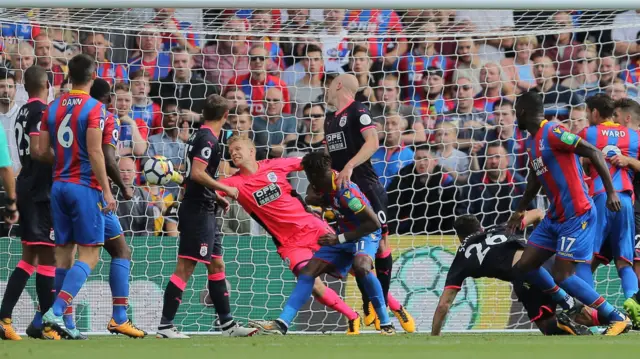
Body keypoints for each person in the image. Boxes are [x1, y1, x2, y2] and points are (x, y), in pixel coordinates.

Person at [506, 90, 631, 336]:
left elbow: (593, 152)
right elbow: (534, 180)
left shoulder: (553, 131)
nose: (514, 118)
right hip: (555, 217)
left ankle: (617, 317)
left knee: (563, 275)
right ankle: (570, 304)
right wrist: (519, 210)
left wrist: (611, 192)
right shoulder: (531, 142)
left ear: (521, 112)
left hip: (577, 214)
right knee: (524, 266)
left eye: (515, 112)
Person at [215, 136, 363, 334]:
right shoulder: (234, 183)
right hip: (289, 243)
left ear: (252, 151)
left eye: (238, 148)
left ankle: (392, 308)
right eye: (231, 151)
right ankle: (353, 316)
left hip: (313, 227)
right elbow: (210, 190)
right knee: (312, 283)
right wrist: (218, 197)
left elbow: (310, 164)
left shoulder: (275, 165)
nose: (233, 153)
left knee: (358, 267)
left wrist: (334, 176)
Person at [249, 151, 395, 335]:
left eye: (308, 176)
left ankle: (386, 322)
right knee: (308, 271)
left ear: (314, 175)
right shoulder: (324, 182)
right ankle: (282, 323)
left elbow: (373, 223)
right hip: (344, 234)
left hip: (365, 234)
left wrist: (339, 238)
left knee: (362, 266)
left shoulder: (346, 191)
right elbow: (311, 195)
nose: (308, 182)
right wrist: (319, 202)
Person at [156, 94, 257, 338]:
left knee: (216, 263)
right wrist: (224, 188)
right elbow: (198, 174)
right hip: (197, 211)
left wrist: (215, 195)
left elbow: (192, 176)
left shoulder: (197, 136)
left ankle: (227, 325)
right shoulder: (208, 140)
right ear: (224, 117)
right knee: (185, 267)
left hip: (206, 206)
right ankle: (165, 326)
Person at [324, 73, 414, 332]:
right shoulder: (330, 119)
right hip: (344, 192)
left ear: (339, 85)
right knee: (356, 253)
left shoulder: (358, 110)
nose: (328, 88)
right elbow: (333, 159)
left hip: (367, 187)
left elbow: (373, 141)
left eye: (331, 83)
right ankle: (372, 304)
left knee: (382, 243)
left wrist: (351, 165)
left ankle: (378, 306)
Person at [39, 54, 116, 339]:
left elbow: (41, 150)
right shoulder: (96, 107)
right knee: (90, 254)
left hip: (58, 184)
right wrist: (106, 190)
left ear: (69, 75)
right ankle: (55, 312)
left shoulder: (52, 107)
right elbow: (96, 152)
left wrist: (64, 161)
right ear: (93, 77)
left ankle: (67, 325)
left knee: (63, 256)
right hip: (84, 186)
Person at [432, 214, 593, 336]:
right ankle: (608, 320)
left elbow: (443, 306)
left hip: (525, 274)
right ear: (481, 228)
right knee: (584, 309)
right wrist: (542, 240)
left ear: (460, 238)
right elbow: (537, 212)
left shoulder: (462, 256)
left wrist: (434, 336)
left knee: (546, 324)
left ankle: (563, 322)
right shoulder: (499, 228)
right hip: (548, 260)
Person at [0, 65, 54, 340]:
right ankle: (46, 323)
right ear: (46, 85)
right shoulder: (39, 112)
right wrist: (65, 160)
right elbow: (37, 149)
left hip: (28, 186)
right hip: (38, 190)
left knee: (30, 259)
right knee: (46, 258)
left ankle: (6, 318)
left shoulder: (21, 110)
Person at [89, 78, 146, 338]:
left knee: (119, 250)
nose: (120, 103)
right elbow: (106, 158)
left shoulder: (76, 113)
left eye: (125, 99)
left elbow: (141, 148)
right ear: (109, 99)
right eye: (116, 98)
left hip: (78, 189)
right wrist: (121, 188)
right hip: (95, 192)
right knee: (85, 256)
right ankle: (55, 314)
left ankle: (118, 318)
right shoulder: (103, 119)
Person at [577, 94, 640, 328]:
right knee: (625, 261)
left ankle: (591, 311)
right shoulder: (634, 136)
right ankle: (633, 304)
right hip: (625, 200)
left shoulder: (588, 133)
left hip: (600, 198)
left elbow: (575, 162)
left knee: (584, 259)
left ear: (594, 113)